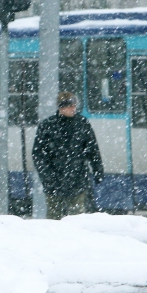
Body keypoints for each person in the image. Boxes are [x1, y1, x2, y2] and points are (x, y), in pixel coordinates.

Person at [32, 91, 105, 220]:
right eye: (70, 106)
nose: (73, 108)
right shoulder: (47, 126)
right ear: (62, 107)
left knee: (76, 219)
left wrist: (98, 170)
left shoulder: (82, 123)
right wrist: (48, 177)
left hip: (76, 181)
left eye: (74, 105)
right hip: (57, 183)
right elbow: (38, 155)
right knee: (55, 220)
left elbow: (92, 149)